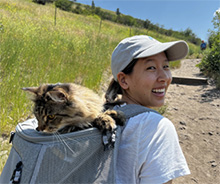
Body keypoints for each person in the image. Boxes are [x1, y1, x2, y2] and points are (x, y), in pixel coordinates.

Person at [105, 35, 190, 184]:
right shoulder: (157, 128)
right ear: (124, 80)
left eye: (166, 66)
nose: (164, 77)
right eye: (151, 68)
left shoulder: (102, 114)